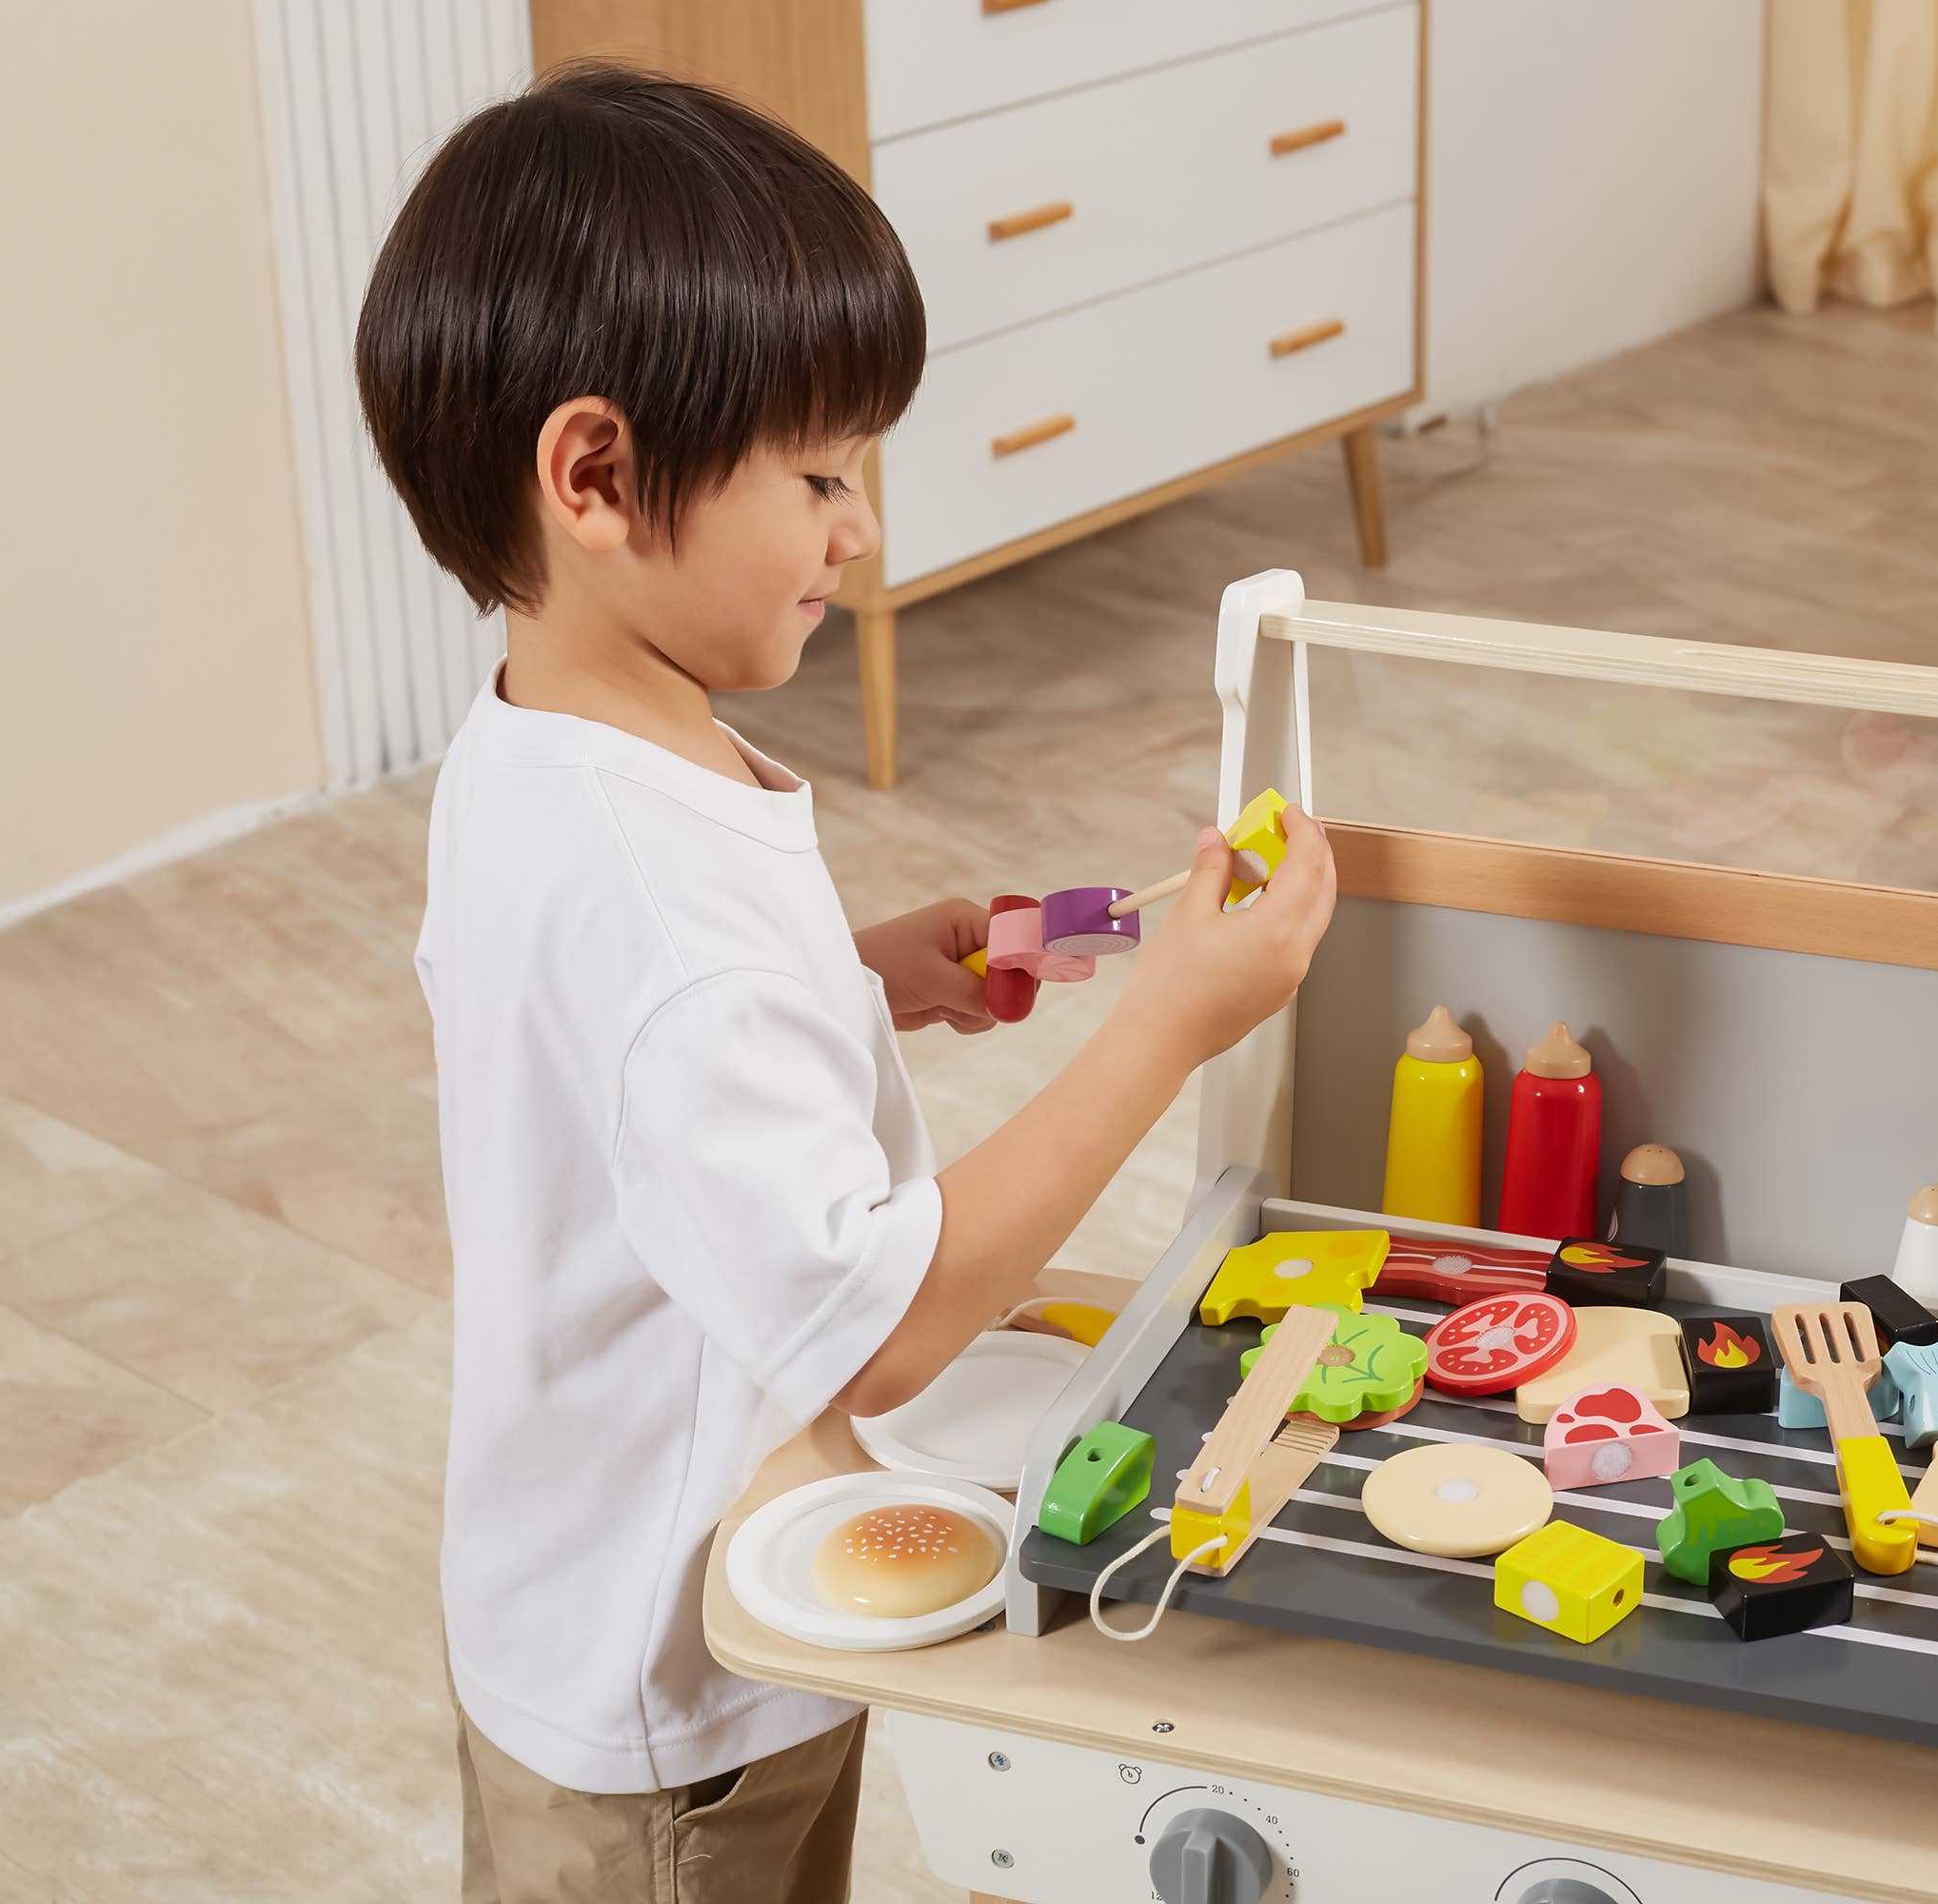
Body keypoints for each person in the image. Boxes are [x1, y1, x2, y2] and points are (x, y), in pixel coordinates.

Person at [355, 62, 1335, 1903]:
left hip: (576, 1590)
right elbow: (876, 1321)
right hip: (670, 1701)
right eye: (817, 476)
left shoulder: (548, 741)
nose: (859, 529)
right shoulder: (662, 912)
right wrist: (1168, 1022)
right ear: (595, 475)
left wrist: (860, 972)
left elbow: (614, 1067)